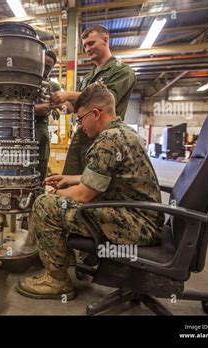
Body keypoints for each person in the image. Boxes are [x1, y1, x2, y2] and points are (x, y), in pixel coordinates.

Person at [17, 83, 164, 300]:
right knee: (58, 199)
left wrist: (51, 195)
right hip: (143, 217)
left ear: (96, 113)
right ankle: (66, 261)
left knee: (44, 205)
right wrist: (70, 179)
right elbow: (107, 177)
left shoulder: (108, 141)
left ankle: (57, 280)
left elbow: (83, 195)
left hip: (136, 224)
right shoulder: (123, 132)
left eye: (80, 118)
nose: (79, 125)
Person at [50, 24, 136, 176]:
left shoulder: (122, 71)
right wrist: (58, 102)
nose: (87, 49)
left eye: (91, 43)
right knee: (68, 181)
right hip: (82, 136)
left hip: (104, 139)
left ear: (105, 40)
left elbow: (104, 99)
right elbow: (73, 108)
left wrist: (68, 94)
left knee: (94, 186)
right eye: (84, 46)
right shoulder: (88, 78)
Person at [34, 50, 61, 181]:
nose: (45, 69)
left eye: (49, 67)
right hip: (20, 131)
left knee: (40, 169)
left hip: (41, 133)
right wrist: (35, 109)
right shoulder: (24, 81)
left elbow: (57, 112)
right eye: (42, 64)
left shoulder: (53, 86)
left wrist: (50, 109)